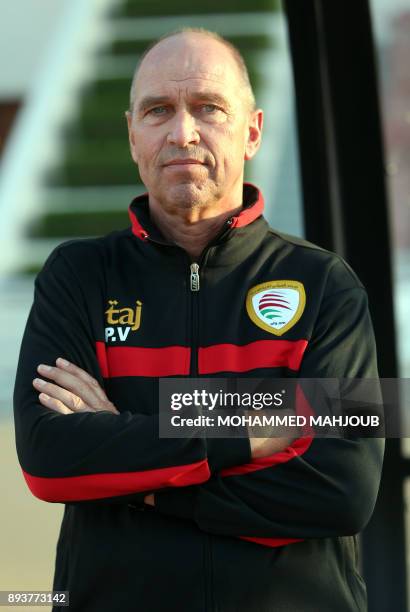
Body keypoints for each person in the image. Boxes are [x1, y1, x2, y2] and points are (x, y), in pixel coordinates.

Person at [13, 28, 384, 612]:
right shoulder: (78, 275)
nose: (182, 132)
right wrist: (251, 432)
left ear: (252, 131)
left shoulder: (325, 284)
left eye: (209, 108)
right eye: (158, 110)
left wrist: (141, 479)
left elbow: (342, 491)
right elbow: (49, 459)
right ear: (133, 134)